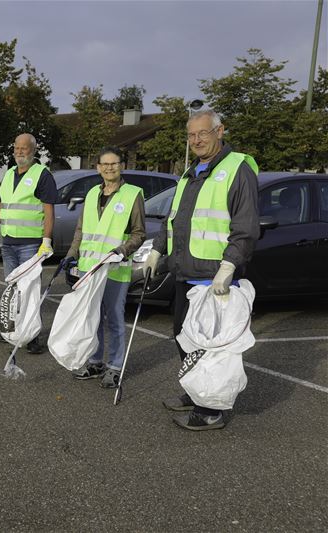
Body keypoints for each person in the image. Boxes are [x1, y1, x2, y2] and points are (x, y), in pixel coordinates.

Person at [144, 109, 259, 431]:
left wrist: (230, 265)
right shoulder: (190, 173)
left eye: (203, 133)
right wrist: (157, 250)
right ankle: (196, 390)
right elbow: (176, 221)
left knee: (211, 347)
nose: (196, 140)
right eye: (191, 135)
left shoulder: (237, 169)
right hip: (186, 272)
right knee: (184, 337)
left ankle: (209, 411)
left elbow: (246, 225)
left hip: (215, 277)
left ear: (220, 131)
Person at [62, 147, 146, 388]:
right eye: (105, 164)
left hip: (115, 270)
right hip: (90, 269)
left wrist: (120, 251)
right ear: (98, 167)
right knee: (93, 318)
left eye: (114, 163)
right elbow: (81, 230)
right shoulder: (91, 194)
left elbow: (139, 233)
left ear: (122, 166)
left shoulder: (132, 194)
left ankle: (115, 365)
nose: (109, 168)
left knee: (115, 319)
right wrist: (71, 254)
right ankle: (96, 361)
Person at [0, 133, 57, 353]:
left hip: (31, 245)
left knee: (30, 290)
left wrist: (46, 240)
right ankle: (12, 331)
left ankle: (32, 335)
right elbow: (1, 205)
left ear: (34, 150)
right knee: (12, 290)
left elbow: (48, 211)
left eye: (24, 148)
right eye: (16, 148)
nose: (19, 152)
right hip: (9, 243)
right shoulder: (9, 174)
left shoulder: (42, 174)